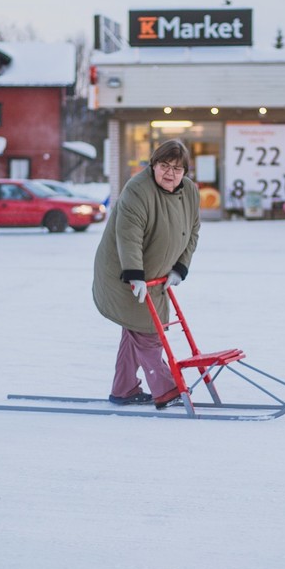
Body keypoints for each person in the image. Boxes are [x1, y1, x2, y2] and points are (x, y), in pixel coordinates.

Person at [92, 139, 200, 409]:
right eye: (164, 165)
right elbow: (128, 236)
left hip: (156, 277)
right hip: (123, 275)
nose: (170, 173)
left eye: (177, 168)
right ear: (153, 165)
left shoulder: (190, 192)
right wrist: (134, 275)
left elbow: (193, 230)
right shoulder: (137, 191)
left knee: (136, 331)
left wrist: (180, 268)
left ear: (185, 172)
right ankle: (167, 390)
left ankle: (124, 389)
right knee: (148, 333)